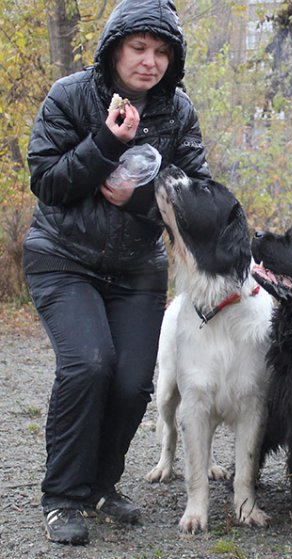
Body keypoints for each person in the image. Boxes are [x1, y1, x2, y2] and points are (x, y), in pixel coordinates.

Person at [24, 0, 210, 545]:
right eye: (139, 48)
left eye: (161, 52)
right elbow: (49, 182)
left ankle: (102, 485)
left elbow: (196, 200)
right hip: (63, 258)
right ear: (114, 49)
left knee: (133, 383)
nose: (149, 61)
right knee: (89, 365)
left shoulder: (178, 113)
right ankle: (62, 498)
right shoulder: (70, 96)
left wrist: (135, 201)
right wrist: (106, 144)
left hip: (136, 269)